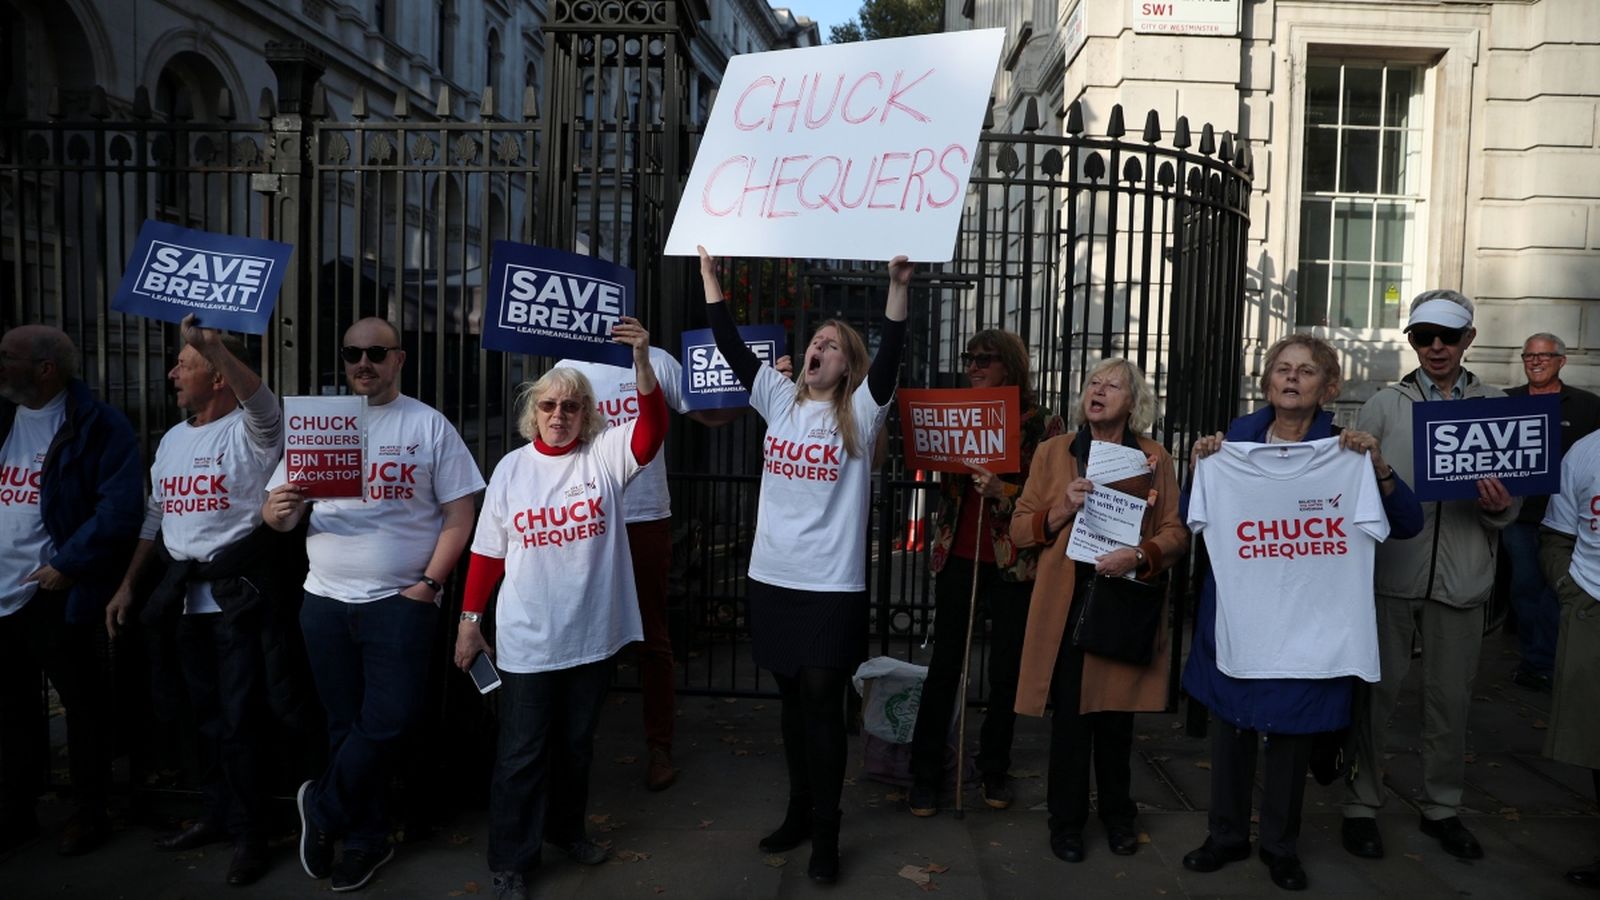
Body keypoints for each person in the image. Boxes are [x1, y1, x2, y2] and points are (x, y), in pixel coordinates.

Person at [695, 245, 910, 883]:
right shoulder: (779, 401)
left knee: (821, 700)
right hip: (773, 579)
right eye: (814, 341)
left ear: (848, 366)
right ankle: (797, 811)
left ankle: (826, 832)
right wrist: (711, 280)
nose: (817, 349)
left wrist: (897, 285)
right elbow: (732, 346)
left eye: (832, 345)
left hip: (831, 585)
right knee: (790, 699)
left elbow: (892, 353)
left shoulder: (862, 413)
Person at [1179, 335, 1424, 891]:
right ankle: (1225, 836)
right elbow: (1190, 514)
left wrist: (1380, 468)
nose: (1292, 378)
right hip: (1241, 617)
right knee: (1233, 729)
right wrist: (1202, 467)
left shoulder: (1346, 451)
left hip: (1311, 625)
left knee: (1292, 735)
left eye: (1307, 371)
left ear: (1328, 387)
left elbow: (1407, 524)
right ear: (1267, 381)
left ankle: (1280, 846)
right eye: (1282, 369)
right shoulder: (1233, 442)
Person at [262, 318, 485, 891]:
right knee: (345, 725)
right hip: (325, 601)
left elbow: (462, 515)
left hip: (400, 602)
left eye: (376, 353)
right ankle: (365, 840)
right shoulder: (322, 425)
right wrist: (279, 510)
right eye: (353, 353)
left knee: (392, 719)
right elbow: (278, 517)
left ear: (399, 359)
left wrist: (430, 586)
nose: (363, 362)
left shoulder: (428, 425)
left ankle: (326, 808)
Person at [453, 317, 665, 900]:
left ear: (587, 413)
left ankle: (567, 831)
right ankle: (511, 862)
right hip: (528, 642)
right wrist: (470, 624)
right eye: (549, 405)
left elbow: (651, 431)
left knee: (576, 747)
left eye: (572, 406)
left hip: (592, 637)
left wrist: (643, 361)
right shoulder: (511, 469)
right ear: (534, 412)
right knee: (520, 755)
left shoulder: (604, 456)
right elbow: (487, 553)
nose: (559, 414)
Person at [551, 344, 789, 791]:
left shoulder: (656, 360)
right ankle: (570, 748)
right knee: (578, 633)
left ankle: (659, 747)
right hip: (585, 516)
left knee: (652, 636)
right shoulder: (567, 364)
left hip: (645, 516)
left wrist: (766, 386)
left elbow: (709, 414)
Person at [105, 315, 284, 886]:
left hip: (237, 600)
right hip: (181, 601)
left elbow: (265, 406)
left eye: (185, 365)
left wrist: (213, 345)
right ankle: (216, 814)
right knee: (202, 719)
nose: (171, 373)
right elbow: (155, 518)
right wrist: (131, 583)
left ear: (217, 379)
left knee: (240, 722)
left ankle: (254, 835)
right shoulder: (172, 440)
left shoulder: (250, 431)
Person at [1341, 290, 1518, 862]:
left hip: (1463, 577)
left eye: (1447, 336)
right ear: (1412, 340)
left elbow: (1513, 505)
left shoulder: (1497, 402)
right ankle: (1362, 803)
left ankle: (1443, 805)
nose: (1435, 347)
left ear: (1468, 339)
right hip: (1392, 574)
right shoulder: (1384, 404)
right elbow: (1352, 490)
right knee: (1375, 696)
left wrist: (1498, 503)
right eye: (1423, 336)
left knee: (1451, 701)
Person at [1010, 357, 1188, 863]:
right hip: (1067, 603)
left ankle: (1118, 817)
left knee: (1114, 722)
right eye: (1093, 382)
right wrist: (1061, 508)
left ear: (1134, 403)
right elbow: (1020, 530)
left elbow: (1176, 534)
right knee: (1070, 722)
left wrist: (1138, 555)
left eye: (1113, 386)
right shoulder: (1053, 452)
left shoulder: (1156, 458)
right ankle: (1065, 823)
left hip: (1123, 600)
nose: (1099, 391)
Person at [907, 329, 1064, 816]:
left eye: (986, 359)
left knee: (1005, 673)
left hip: (1013, 563)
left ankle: (994, 768)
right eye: (969, 357)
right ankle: (925, 774)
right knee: (944, 667)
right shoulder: (956, 412)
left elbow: (1054, 499)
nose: (974, 366)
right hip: (957, 555)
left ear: (1010, 366)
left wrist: (1005, 491)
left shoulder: (1042, 427)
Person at [0, 325, 142, 856]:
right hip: (1, 592)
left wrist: (66, 564)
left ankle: (90, 812)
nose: (0, 364)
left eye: (7, 356)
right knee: (13, 710)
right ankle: (17, 810)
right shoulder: (4, 416)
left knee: (82, 708)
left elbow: (119, 509)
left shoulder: (98, 424)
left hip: (53, 590)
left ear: (45, 369)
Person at [1503, 333, 1600, 692]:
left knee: (1561, 590)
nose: (1536, 362)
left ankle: (1554, 659)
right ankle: (1536, 660)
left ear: (1562, 360)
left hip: (1574, 521)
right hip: (1521, 516)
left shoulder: (1588, 406)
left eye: (1544, 356)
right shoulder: (1504, 401)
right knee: (1527, 588)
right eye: (1529, 356)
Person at [1537, 427, 1600, 890]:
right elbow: (1557, 533)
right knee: (1594, 741)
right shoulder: (1586, 451)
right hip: (1592, 606)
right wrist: (1568, 589)